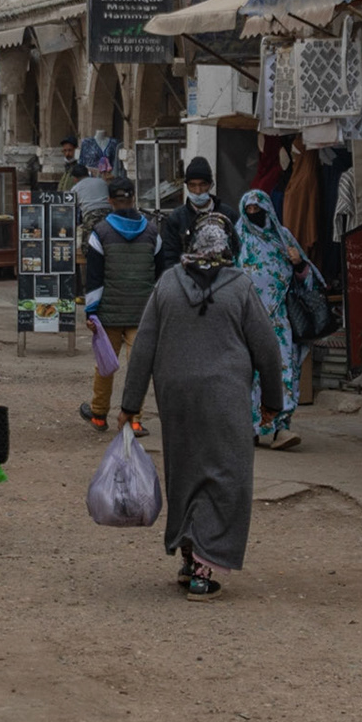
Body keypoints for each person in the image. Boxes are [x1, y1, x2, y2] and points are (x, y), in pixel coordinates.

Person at [118, 215, 284, 601]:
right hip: (225, 397)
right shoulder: (240, 286)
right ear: (228, 246)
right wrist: (272, 404)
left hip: (175, 397)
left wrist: (130, 405)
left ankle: (189, 554)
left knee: (186, 471)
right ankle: (204, 570)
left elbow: (142, 347)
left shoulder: (168, 284)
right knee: (226, 477)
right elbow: (268, 349)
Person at [78, 176, 173, 436]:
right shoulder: (153, 232)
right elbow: (162, 276)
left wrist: (91, 312)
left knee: (105, 364)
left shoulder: (100, 233)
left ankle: (99, 414)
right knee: (138, 368)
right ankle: (134, 419)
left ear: (110, 202)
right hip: (143, 314)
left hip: (108, 314)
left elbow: (95, 278)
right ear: (134, 200)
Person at [236, 189, 314, 450]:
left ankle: (282, 428)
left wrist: (298, 263)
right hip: (246, 320)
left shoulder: (283, 238)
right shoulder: (237, 239)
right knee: (249, 373)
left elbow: (308, 278)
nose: (255, 215)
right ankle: (251, 428)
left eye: (259, 210)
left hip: (280, 320)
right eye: (250, 211)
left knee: (284, 370)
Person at [157, 156, 237, 258]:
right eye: (192, 185)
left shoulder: (228, 215)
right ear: (187, 186)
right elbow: (170, 255)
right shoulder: (176, 218)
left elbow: (237, 249)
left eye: (202, 185)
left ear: (210, 185)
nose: (198, 191)